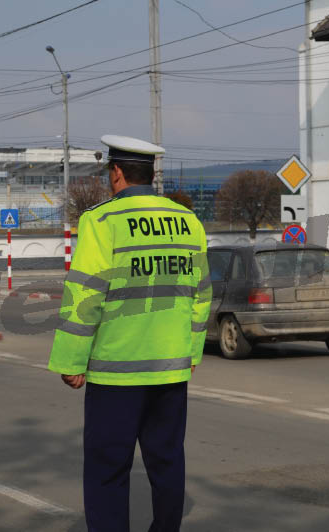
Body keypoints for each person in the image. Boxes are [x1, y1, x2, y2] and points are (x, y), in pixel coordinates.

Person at [48, 135, 211, 532]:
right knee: (168, 460)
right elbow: (201, 295)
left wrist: (71, 361)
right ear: (152, 174)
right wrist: (190, 354)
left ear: (116, 173)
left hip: (116, 373)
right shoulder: (188, 221)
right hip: (171, 369)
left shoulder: (102, 222)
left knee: (107, 468)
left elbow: (85, 297)